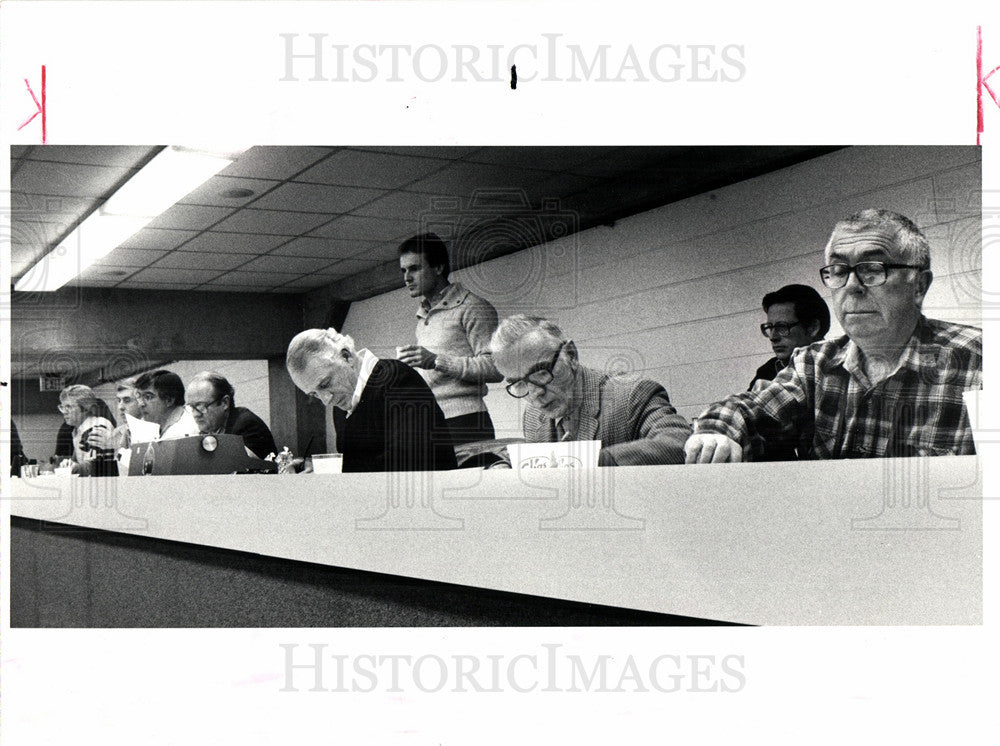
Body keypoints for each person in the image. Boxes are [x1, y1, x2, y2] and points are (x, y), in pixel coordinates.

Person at [685, 209, 982, 463]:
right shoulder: (813, 365)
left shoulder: (979, 360)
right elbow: (749, 409)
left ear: (919, 285)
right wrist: (716, 432)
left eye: (872, 268)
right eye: (839, 270)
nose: (852, 286)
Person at [489, 314, 692, 466]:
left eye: (541, 372)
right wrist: (502, 467)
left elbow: (678, 442)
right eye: (519, 383)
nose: (535, 393)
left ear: (571, 355)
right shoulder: (533, 416)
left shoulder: (632, 394)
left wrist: (588, 461)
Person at [286, 328, 457, 473]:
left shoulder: (396, 378)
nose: (326, 400)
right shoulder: (343, 406)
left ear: (346, 357)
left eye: (325, 384)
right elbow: (356, 463)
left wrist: (334, 471)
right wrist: (316, 467)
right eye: (314, 394)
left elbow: (411, 461)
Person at [397, 232, 503, 445]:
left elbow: (496, 367)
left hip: (466, 422)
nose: (406, 277)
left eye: (415, 268)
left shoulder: (473, 307)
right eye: (404, 270)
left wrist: (437, 361)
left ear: (438, 267)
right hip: (430, 421)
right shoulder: (423, 317)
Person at [748, 284, 831, 460]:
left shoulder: (837, 371)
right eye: (769, 327)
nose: (773, 336)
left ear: (812, 328)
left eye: (782, 327)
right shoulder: (768, 371)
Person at [184, 372, 278, 459]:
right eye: (192, 407)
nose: (195, 414)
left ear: (225, 402)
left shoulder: (246, 426)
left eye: (201, 406)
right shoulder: (210, 429)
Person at [57, 384, 117, 474]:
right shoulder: (77, 430)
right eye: (62, 407)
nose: (64, 412)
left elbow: (97, 465)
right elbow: (80, 462)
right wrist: (70, 464)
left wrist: (76, 467)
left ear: (86, 409)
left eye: (69, 407)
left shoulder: (98, 427)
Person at [133, 370, 199, 440]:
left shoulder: (185, 429)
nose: (141, 404)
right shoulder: (153, 427)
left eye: (148, 397)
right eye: (139, 397)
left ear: (169, 400)